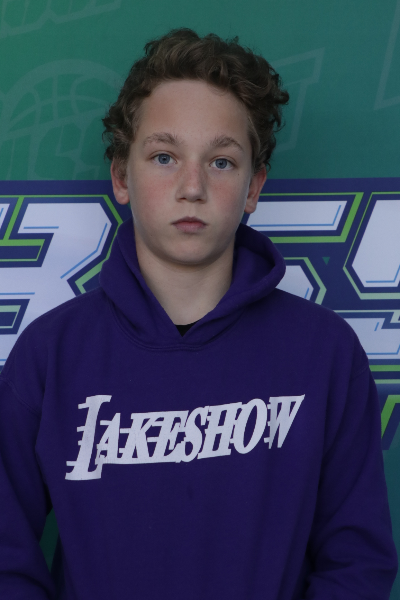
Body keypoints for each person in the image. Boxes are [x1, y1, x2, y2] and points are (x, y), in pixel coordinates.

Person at [0, 28, 397, 600]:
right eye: (164, 157)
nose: (193, 187)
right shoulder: (51, 355)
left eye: (221, 161)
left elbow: (356, 561)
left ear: (254, 186)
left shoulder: (324, 353)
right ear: (121, 176)